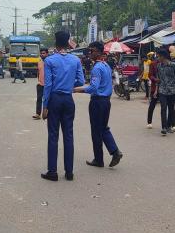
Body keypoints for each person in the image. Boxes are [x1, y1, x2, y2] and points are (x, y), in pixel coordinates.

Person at [41, 31, 84, 181]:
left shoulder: (50, 60)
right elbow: (81, 81)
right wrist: (69, 84)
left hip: (54, 99)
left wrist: (44, 106)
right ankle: (69, 172)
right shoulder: (75, 60)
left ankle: (52, 172)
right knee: (69, 135)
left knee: (53, 135)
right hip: (68, 99)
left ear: (56, 43)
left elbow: (48, 85)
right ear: (68, 43)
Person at [74, 41, 122, 168]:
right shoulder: (106, 65)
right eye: (89, 51)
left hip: (98, 102)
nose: (90, 53)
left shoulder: (97, 68)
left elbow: (93, 88)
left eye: (92, 51)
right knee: (103, 128)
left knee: (96, 130)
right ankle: (114, 152)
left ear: (99, 52)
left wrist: (76, 90)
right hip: (106, 101)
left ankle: (100, 158)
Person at [156, 48, 175, 136]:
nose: (157, 58)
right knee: (163, 108)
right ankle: (164, 127)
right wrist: (156, 89)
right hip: (162, 90)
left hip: (172, 90)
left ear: (163, 56)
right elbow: (158, 78)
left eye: (158, 56)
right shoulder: (159, 66)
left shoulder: (173, 65)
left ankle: (169, 126)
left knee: (171, 108)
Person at [33, 48, 49, 120]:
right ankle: (38, 114)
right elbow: (38, 72)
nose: (42, 55)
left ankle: (48, 113)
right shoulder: (39, 62)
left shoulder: (50, 62)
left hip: (48, 85)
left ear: (47, 54)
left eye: (44, 53)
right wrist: (39, 81)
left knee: (48, 99)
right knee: (39, 99)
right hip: (40, 84)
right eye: (41, 53)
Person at [146, 51, 161, 128]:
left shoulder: (165, 64)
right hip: (154, 87)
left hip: (164, 88)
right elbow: (150, 75)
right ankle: (149, 122)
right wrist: (155, 79)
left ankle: (166, 124)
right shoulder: (153, 64)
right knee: (152, 105)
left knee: (164, 106)